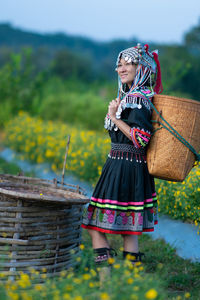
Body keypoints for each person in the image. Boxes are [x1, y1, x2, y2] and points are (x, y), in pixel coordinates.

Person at [81, 43, 163, 266]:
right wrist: (115, 114)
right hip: (118, 167)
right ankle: (122, 284)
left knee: (100, 226)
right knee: (118, 229)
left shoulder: (139, 99)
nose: (121, 68)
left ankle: (112, 284)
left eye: (128, 64)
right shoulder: (129, 97)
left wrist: (115, 118)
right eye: (119, 64)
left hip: (128, 168)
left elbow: (141, 139)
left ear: (142, 69)